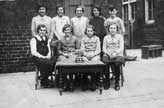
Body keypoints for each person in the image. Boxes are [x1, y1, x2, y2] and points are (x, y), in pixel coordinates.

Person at [58, 24, 80, 91]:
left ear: (70, 30)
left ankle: (71, 83)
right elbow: (58, 50)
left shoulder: (75, 38)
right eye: (65, 30)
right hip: (64, 55)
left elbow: (78, 49)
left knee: (72, 62)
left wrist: (72, 53)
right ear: (63, 31)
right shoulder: (61, 39)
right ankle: (65, 83)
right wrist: (63, 54)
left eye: (68, 30)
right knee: (62, 62)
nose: (67, 31)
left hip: (72, 54)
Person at [103, 23, 124, 91]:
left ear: (117, 29)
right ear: (109, 29)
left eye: (114, 28)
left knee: (117, 64)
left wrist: (115, 53)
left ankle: (117, 82)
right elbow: (104, 49)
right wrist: (109, 53)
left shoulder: (120, 37)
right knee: (105, 64)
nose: (112, 30)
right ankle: (107, 81)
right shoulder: (106, 37)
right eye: (111, 28)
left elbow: (121, 47)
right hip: (108, 54)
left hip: (117, 54)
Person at [80, 25, 101, 91]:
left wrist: (93, 55)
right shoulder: (83, 39)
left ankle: (93, 81)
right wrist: (86, 55)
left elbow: (98, 50)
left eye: (91, 31)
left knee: (94, 62)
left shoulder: (97, 38)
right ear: (86, 31)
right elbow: (82, 49)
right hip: (86, 54)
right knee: (84, 61)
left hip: (94, 54)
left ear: (93, 31)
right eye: (88, 31)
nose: (89, 32)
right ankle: (85, 81)